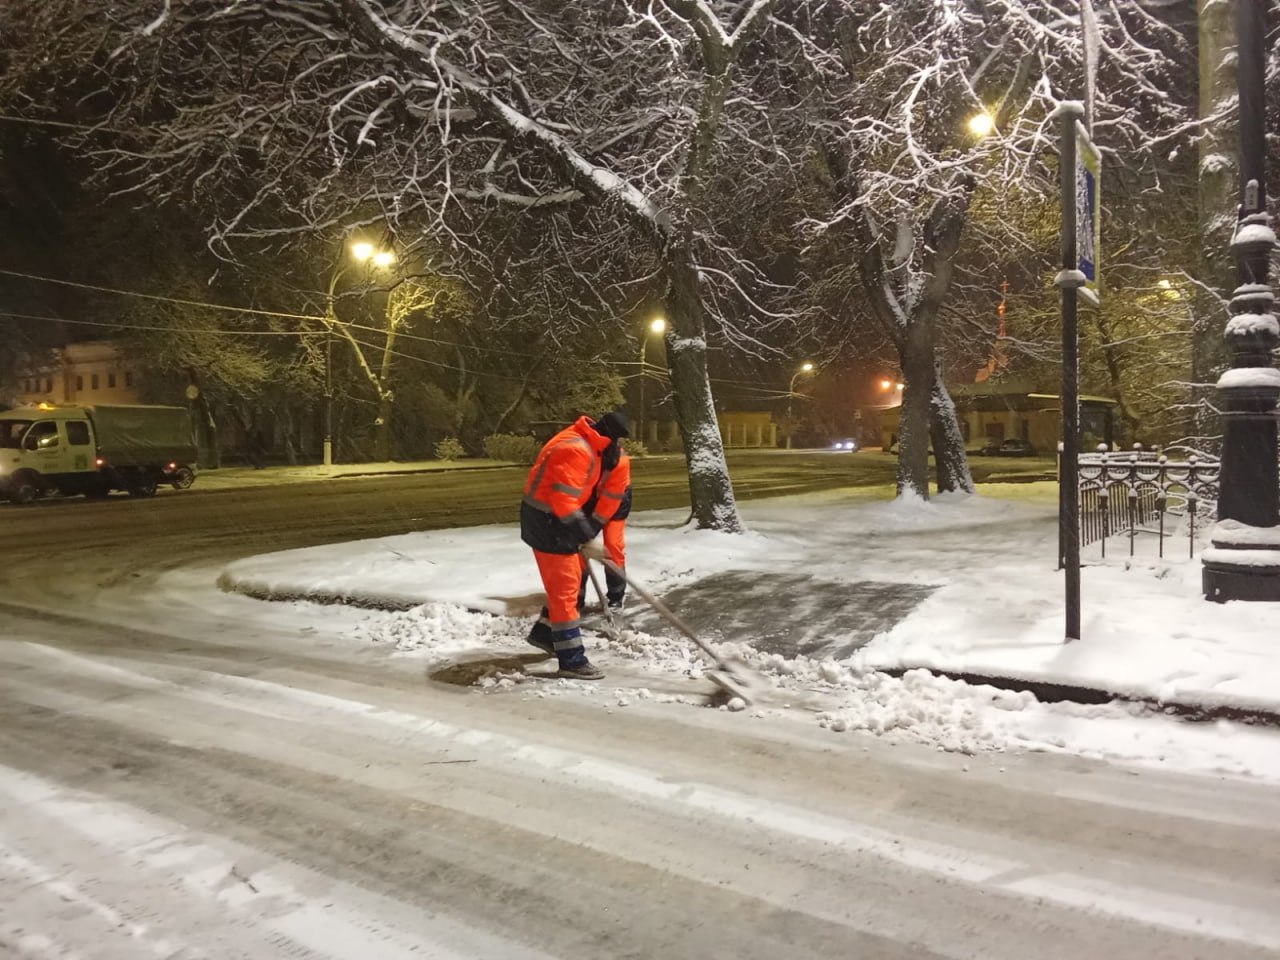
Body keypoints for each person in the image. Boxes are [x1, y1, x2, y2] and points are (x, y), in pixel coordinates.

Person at [521, 411, 630, 679]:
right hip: (548, 523)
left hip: (558, 522)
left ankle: (545, 634)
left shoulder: (594, 446)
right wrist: (586, 536)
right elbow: (564, 501)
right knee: (566, 590)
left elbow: (604, 500)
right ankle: (572, 659)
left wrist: (588, 531)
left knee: (568, 584)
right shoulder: (576, 450)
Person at [577, 439, 631, 613]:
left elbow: (610, 500)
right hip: (590, 500)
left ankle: (615, 597)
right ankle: (577, 597)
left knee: (613, 546)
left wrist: (592, 527)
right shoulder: (585, 455)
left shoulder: (620, 463)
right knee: (578, 546)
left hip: (616, 501)